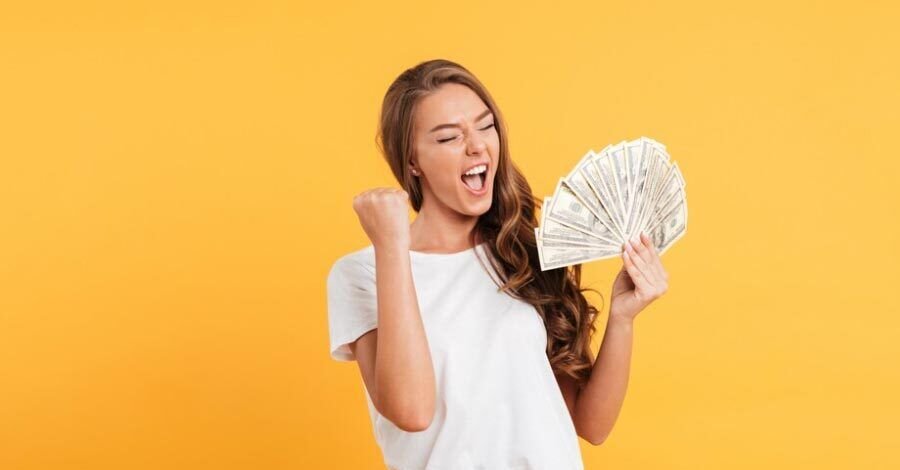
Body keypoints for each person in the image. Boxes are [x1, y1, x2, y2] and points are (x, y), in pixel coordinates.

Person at [326, 59, 669, 470]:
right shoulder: (364, 272)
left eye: (485, 126)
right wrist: (392, 246)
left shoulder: (523, 252)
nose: (476, 146)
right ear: (412, 161)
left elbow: (591, 424)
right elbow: (412, 411)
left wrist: (623, 318)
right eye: (450, 137)